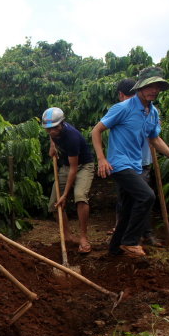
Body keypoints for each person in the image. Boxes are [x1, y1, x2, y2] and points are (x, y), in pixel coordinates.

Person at [92, 67, 169, 258]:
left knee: (128, 208)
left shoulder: (153, 112)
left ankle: (114, 252)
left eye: (157, 87)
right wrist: (101, 159)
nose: (154, 90)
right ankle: (130, 241)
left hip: (136, 165)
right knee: (147, 196)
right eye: (150, 86)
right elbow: (96, 131)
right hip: (119, 164)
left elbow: (154, 139)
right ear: (140, 87)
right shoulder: (122, 108)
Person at [42, 107, 95, 254]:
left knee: (80, 197)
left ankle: (83, 238)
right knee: (54, 203)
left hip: (83, 166)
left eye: (55, 128)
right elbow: (52, 136)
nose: (52, 131)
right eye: (49, 129)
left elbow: (74, 169)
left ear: (63, 123)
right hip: (67, 166)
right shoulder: (53, 132)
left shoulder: (72, 137)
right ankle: (67, 236)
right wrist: (52, 146)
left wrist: (65, 195)